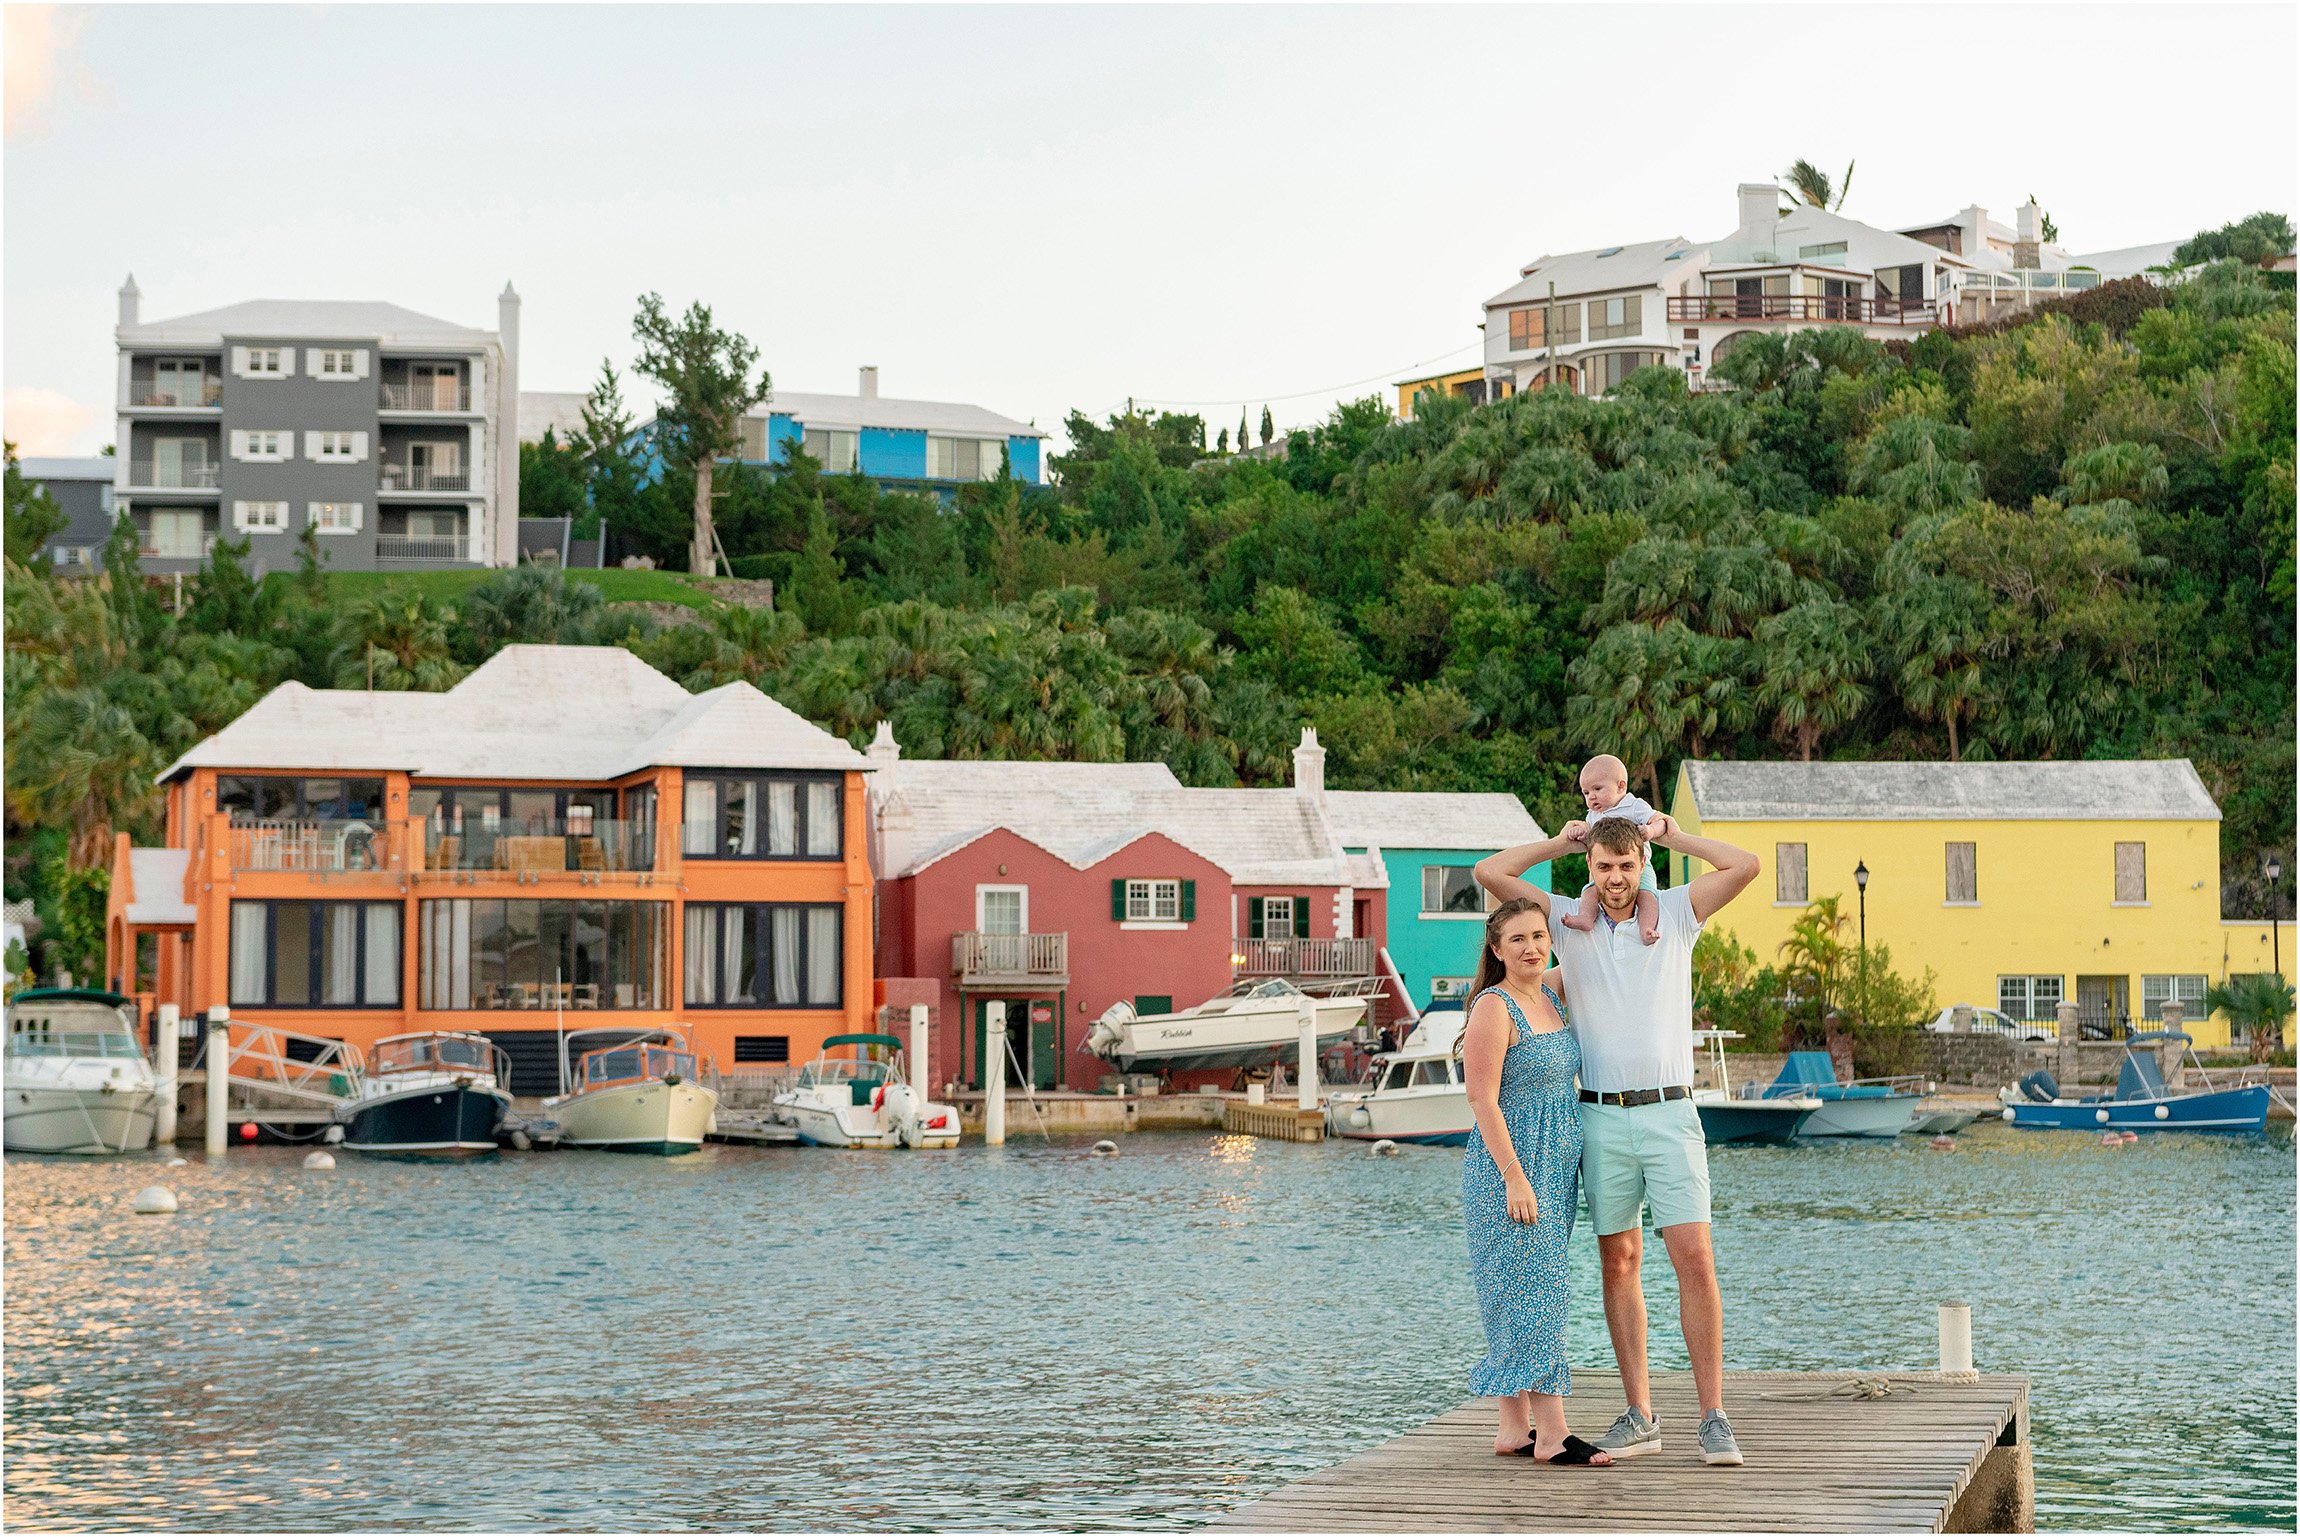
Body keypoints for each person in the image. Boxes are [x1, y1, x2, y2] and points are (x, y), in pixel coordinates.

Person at [1475, 811, 1760, 1468]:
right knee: (1619, 1263)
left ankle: (1714, 1415)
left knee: (1694, 1258)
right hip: (1599, 1117)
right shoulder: (1566, 931)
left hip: (1670, 1113)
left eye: (1625, 866)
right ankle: (1642, 1413)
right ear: (1590, 868)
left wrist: (1670, 832)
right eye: (1603, 866)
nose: (1614, 878)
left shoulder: (1679, 913)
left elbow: (1743, 865)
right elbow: (1491, 873)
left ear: (1642, 865)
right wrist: (1562, 839)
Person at [1457, 897, 1611, 1467]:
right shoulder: (1494, 1007)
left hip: (1553, 1166)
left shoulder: (1547, 993)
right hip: (1511, 1170)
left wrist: (1603, 864)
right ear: (1496, 951)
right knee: (1536, 1295)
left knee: (1518, 1292)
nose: (1531, 947)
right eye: (1517, 939)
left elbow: (1602, 941)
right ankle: (1553, 1433)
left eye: (1539, 936)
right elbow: (1481, 1098)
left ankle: (1513, 1429)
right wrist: (1515, 1179)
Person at [1555, 754, 1661, 945]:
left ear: (1620, 786)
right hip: (1603, 868)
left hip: (1637, 868)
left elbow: (1661, 821)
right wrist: (1580, 832)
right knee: (1589, 891)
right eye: (1586, 793)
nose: (1591, 797)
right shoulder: (1593, 816)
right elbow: (1590, 835)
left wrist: (1651, 830)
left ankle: (1647, 929)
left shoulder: (1634, 806)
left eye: (1597, 789)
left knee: (1647, 895)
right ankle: (1586, 918)